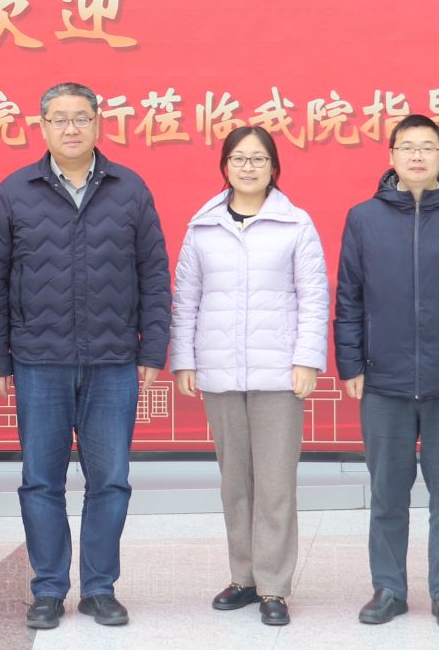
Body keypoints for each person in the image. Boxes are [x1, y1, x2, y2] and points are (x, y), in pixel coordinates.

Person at [0, 81, 172, 631]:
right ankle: (48, 588)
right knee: (41, 480)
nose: (70, 128)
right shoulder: (15, 191)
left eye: (80, 118)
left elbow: (154, 273)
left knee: (110, 479)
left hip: (113, 360)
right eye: (59, 119)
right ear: (42, 127)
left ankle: (100, 588)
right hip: (39, 360)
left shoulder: (130, 189)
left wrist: (153, 348)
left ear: (98, 124)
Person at [334, 113, 439, 632]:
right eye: (406, 146)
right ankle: (388, 588)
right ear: (391, 156)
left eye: (427, 146)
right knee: (387, 493)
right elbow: (349, 297)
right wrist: (350, 362)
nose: (416, 155)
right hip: (383, 380)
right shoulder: (364, 218)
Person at [170, 125, 328, 627]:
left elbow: (314, 296)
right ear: (225, 166)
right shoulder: (203, 227)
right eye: (238, 158)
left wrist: (307, 360)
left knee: (275, 484)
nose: (248, 167)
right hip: (220, 373)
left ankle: (274, 585)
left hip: (279, 374)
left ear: (274, 167)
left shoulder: (295, 224)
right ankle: (244, 577)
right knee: (234, 482)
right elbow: (185, 298)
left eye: (258, 158)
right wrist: (185, 359)